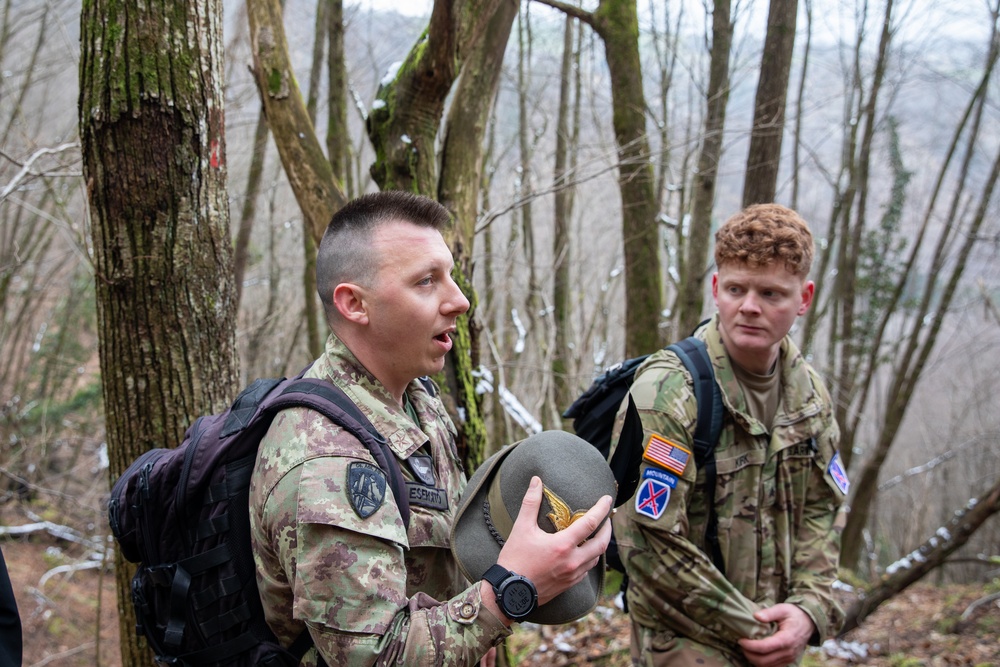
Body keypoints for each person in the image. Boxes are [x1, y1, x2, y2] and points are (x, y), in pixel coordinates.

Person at [250, 191, 612, 667]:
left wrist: (474, 626)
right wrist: (507, 595)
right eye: (426, 281)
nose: (460, 301)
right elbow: (373, 659)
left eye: (451, 276)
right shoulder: (327, 463)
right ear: (354, 304)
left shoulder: (415, 398)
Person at [611, 203, 849, 667]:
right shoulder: (671, 390)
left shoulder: (809, 395)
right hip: (684, 641)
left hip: (777, 637)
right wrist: (758, 630)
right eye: (736, 289)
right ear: (717, 289)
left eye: (772, 293)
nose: (750, 307)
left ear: (804, 298)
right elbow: (645, 539)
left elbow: (823, 509)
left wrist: (808, 611)